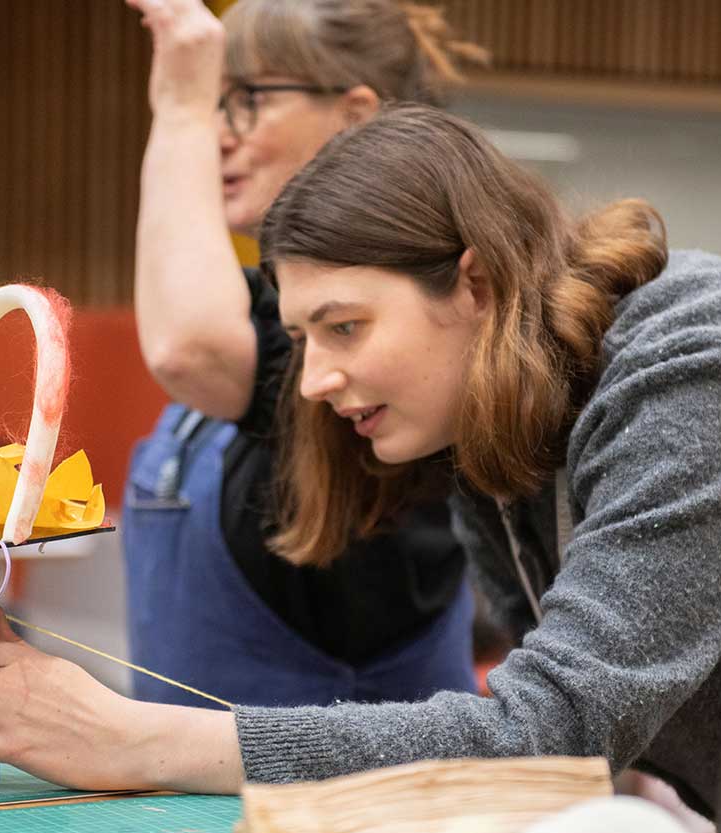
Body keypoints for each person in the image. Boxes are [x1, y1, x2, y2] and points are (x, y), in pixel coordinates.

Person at [0, 106, 721, 833]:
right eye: (303, 335)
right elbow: (576, 740)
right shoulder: (495, 422)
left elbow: (551, 731)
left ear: (472, 282)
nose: (319, 378)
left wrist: (142, 741)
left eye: (346, 326)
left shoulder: (706, 368)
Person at [122, 0, 487, 708]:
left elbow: (186, 346)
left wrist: (180, 106)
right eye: (214, 104)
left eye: (247, 100)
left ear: (353, 115)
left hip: (346, 810)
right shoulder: (271, 317)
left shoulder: (397, 353)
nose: (218, 135)